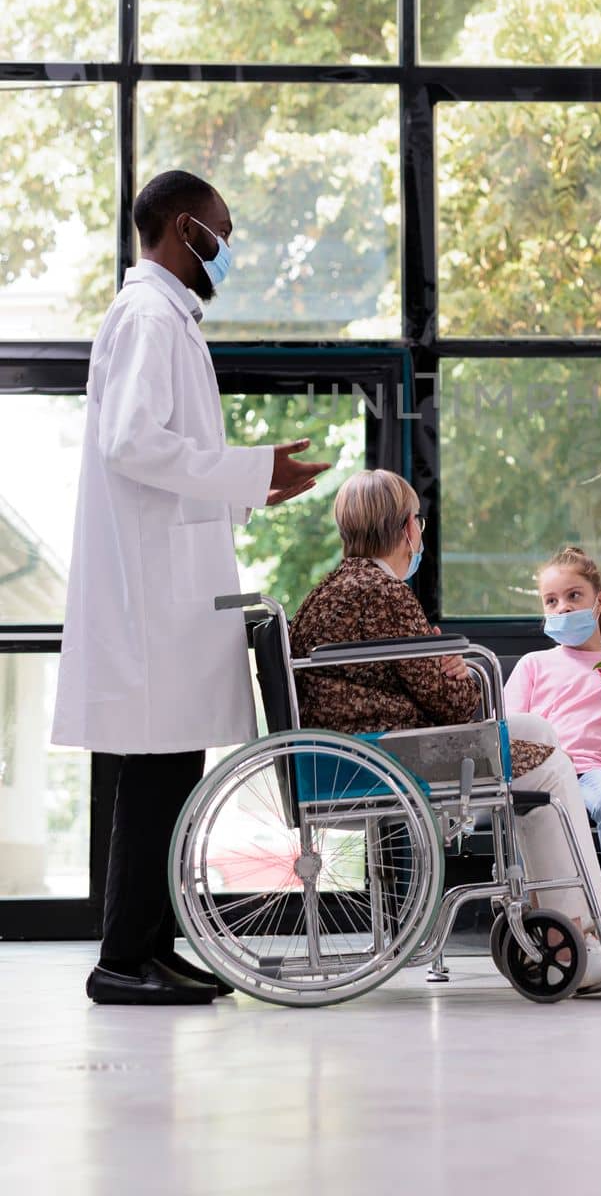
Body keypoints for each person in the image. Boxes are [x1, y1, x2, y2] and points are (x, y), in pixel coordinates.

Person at [53, 170, 328, 1006]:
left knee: (171, 773)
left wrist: (249, 481)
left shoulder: (167, 317)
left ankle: (150, 947)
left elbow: (161, 451)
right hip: (150, 598)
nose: (227, 247)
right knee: (154, 774)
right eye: (222, 229)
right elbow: (132, 443)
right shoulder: (146, 316)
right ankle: (121, 960)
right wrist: (247, 469)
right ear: (184, 228)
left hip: (166, 592)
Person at [287, 470, 601, 991]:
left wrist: (442, 662)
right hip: (383, 758)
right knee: (549, 766)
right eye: (418, 524)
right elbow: (452, 704)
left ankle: (579, 912)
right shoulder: (383, 592)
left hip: (345, 752)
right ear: (408, 530)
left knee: (536, 728)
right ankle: (576, 926)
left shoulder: (332, 590)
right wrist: (455, 669)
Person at [505, 546, 601, 911]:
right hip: (543, 774)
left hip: (599, 774)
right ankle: (546, 914)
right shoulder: (534, 665)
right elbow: (508, 736)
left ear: (600, 600)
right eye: (551, 601)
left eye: (574, 596)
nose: (562, 607)